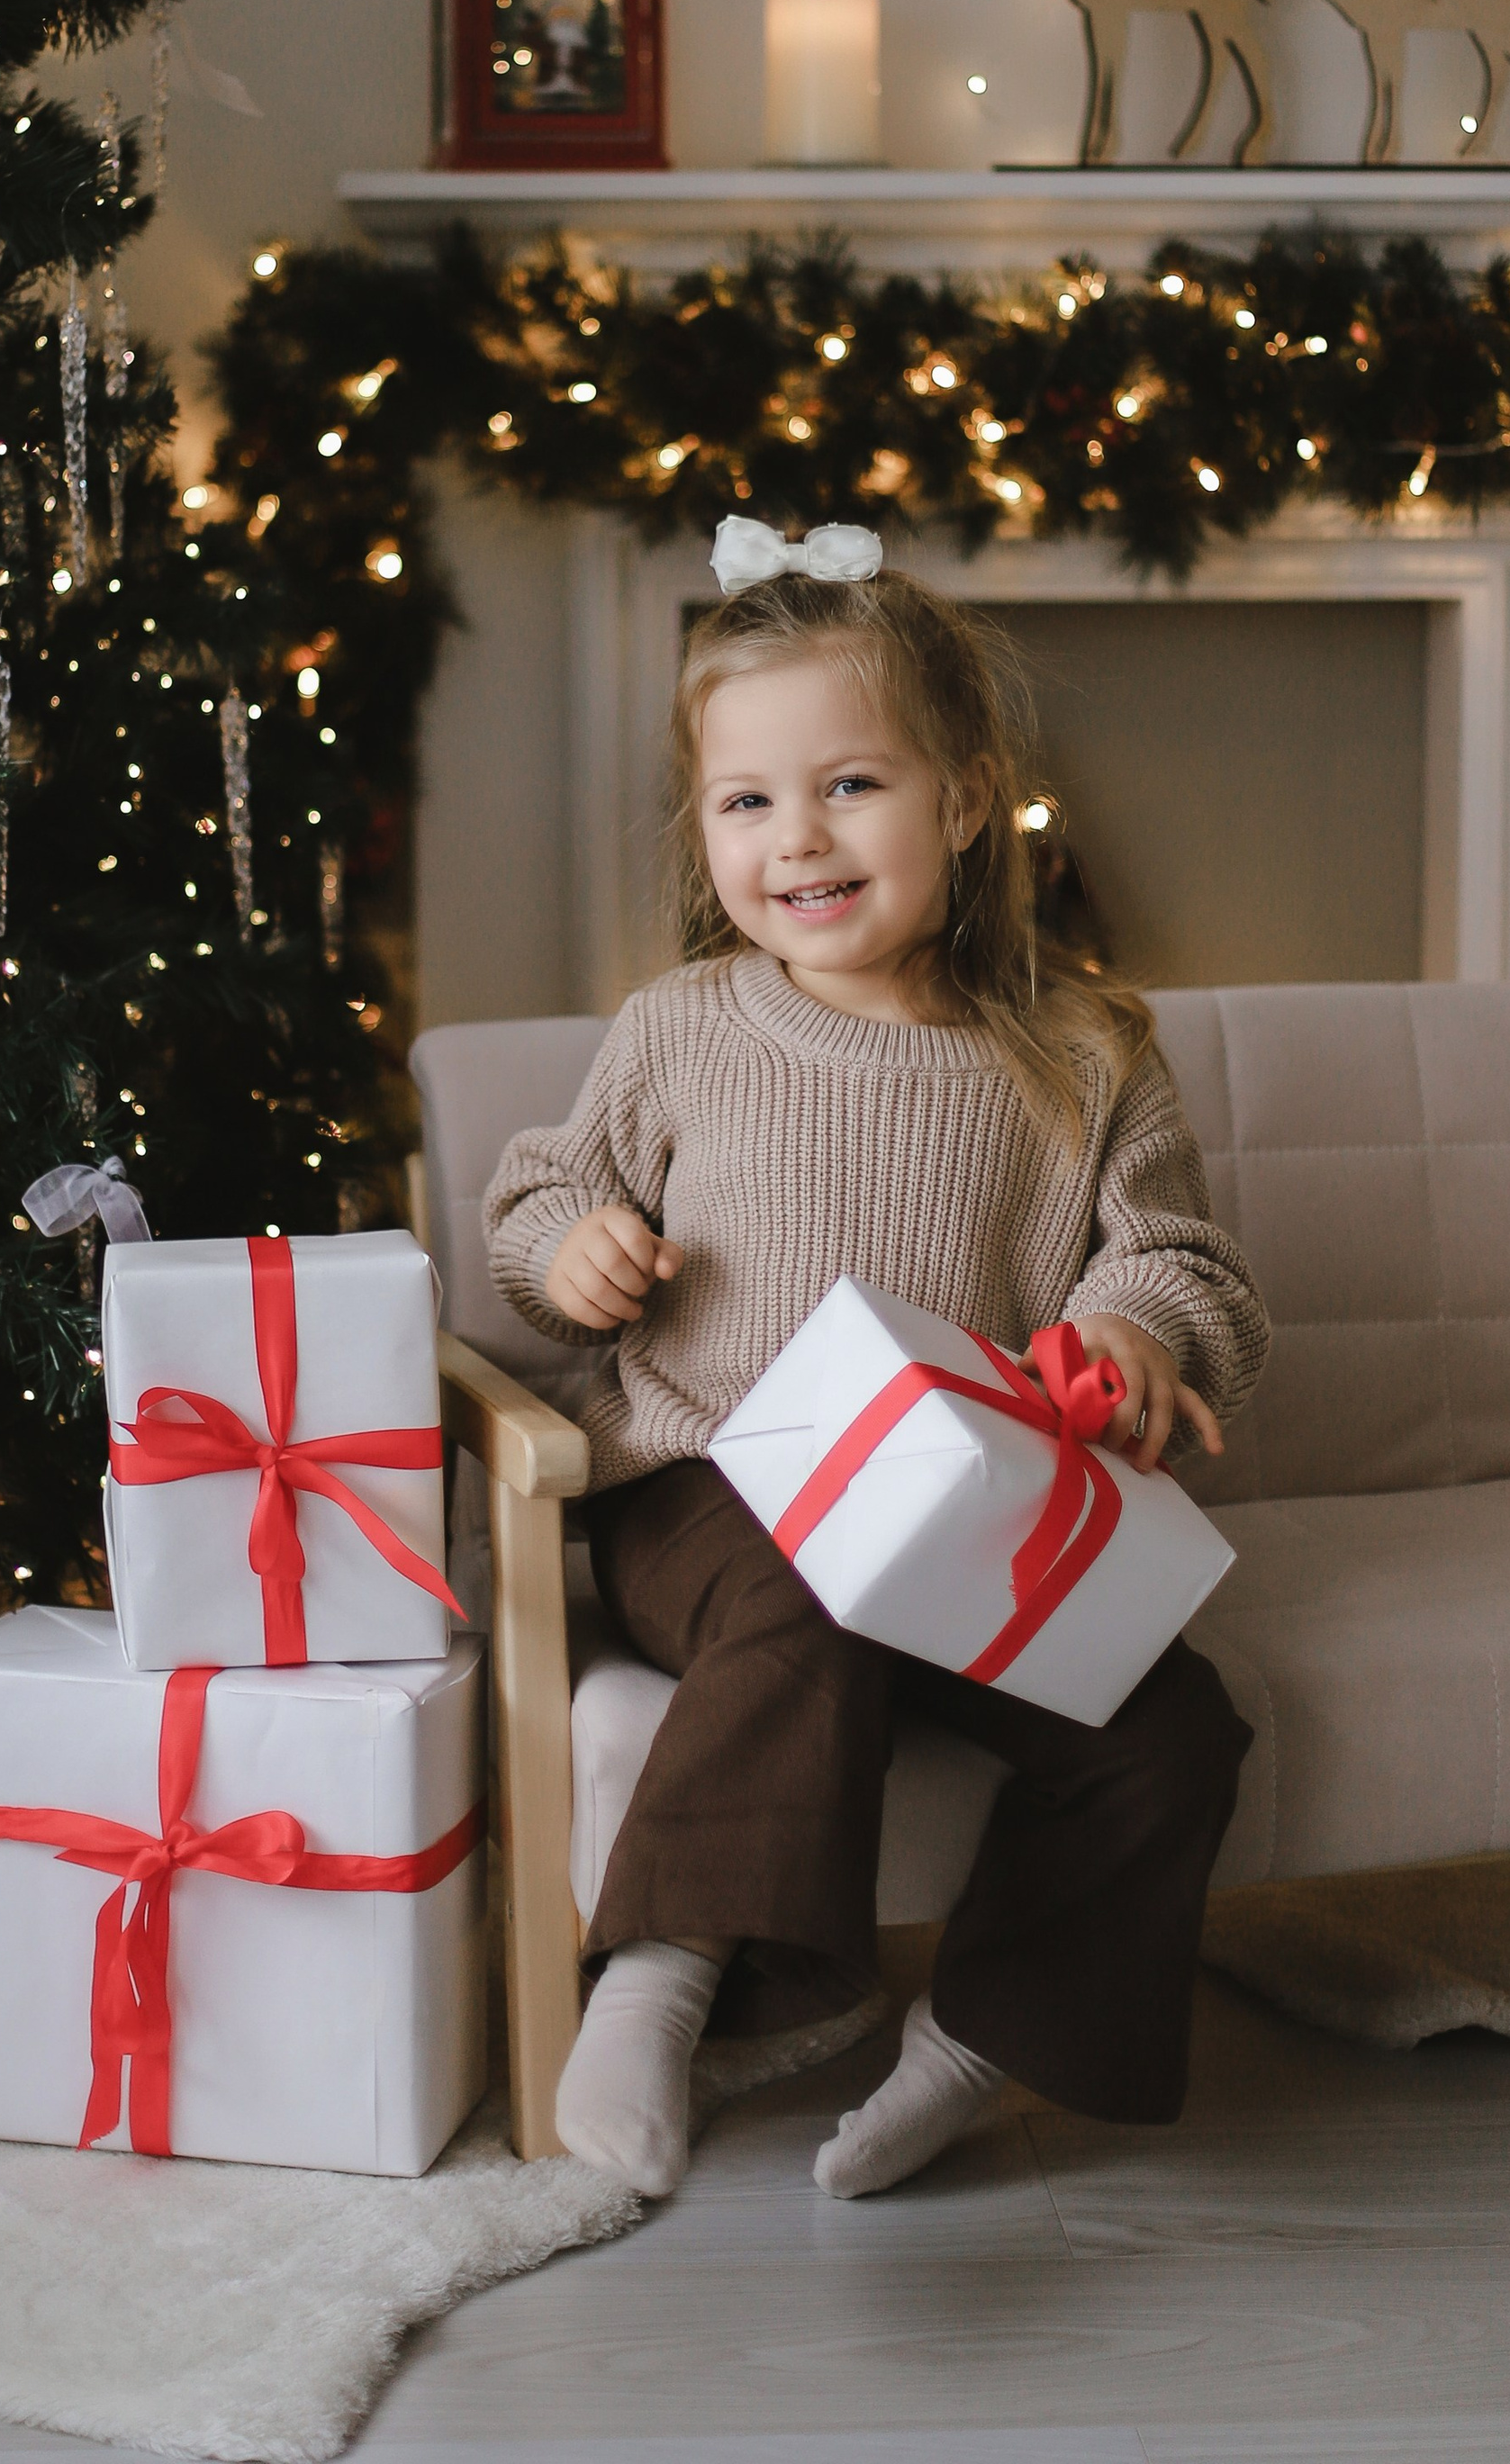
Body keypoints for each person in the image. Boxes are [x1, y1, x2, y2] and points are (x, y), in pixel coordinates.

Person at [483, 522, 1267, 2203]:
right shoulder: (683, 1026)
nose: (798, 840)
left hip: (963, 1523)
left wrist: (1138, 1326)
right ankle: (667, 1966)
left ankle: (988, 2033)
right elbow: (542, 1187)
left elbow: (1174, 1250)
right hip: (708, 1493)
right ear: (704, 830)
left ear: (966, 800)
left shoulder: (1078, 1050)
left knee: (1176, 1727)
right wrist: (569, 1250)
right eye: (746, 802)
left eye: (852, 786)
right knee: (802, 1584)